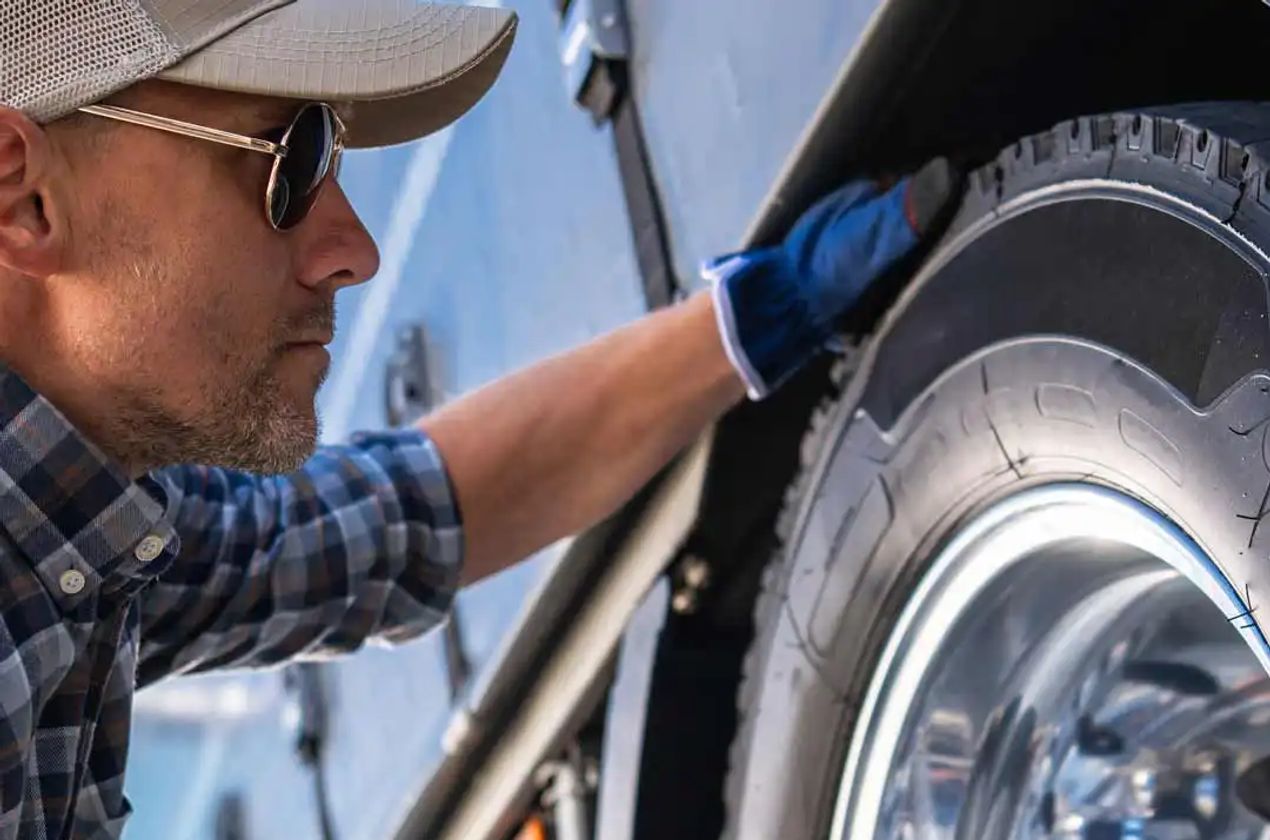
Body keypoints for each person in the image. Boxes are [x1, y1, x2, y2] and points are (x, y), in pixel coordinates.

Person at [0, 1, 958, 837]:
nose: (355, 251)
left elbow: (388, 525)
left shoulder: (86, 525)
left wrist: (752, 322)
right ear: (25, 200)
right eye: (290, 164)